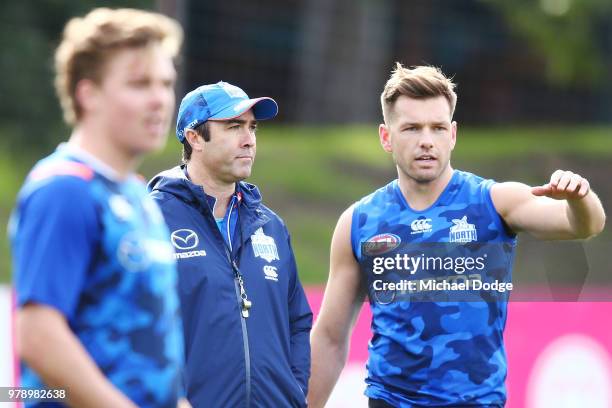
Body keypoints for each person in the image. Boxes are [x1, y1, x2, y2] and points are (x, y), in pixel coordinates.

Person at [308, 63, 606, 407]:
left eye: (436, 128)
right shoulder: (359, 222)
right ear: (386, 137)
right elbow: (330, 338)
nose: (426, 141)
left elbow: (585, 226)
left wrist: (580, 197)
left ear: (452, 135)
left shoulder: (493, 202)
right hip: (390, 400)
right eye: (411, 128)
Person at [9, 8, 184, 408]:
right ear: (88, 94)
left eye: (166, 83)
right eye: (140, 84)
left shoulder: (139, 195)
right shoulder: (65, 190)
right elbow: (37, 334)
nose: (159, 100)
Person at [148, 81, 313, 407]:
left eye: (252, 127)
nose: (249, 139)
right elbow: (137, 326)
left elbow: (298, 323)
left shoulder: (272, 227)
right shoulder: (152, 219)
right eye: (234, 126)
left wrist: (291, 393)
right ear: (194, 137)